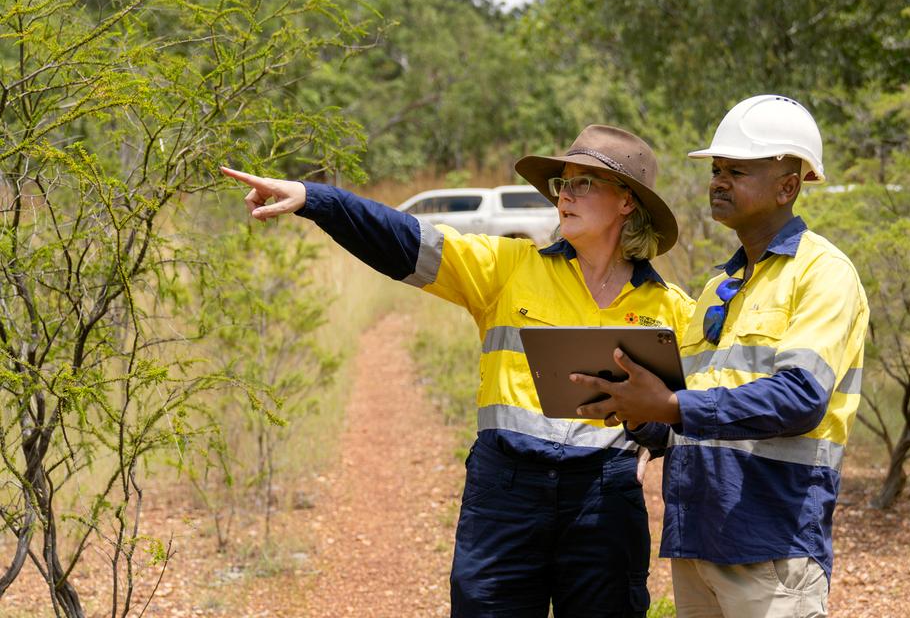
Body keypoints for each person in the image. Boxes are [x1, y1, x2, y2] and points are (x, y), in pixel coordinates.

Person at [221, 125, 693, 617]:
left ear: (627, 203)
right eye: (563, 184)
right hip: (506, 489)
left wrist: (651, 437)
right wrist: (313, 199)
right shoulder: (509, 267)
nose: (564, 196)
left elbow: (686, 418)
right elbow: (405, 241)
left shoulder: (672, 310)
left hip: (605, 499)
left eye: (584, 184)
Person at [573, 96, 869, 617]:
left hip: (772, 542)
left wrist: (668, 406)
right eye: (716, 170)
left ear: (788, 186)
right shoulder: (716, 290)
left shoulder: (823, 273)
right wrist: (636, 412)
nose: (719, 181)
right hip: (699, 542)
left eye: (737, 170)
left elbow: (801, 398)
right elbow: (687, 415)